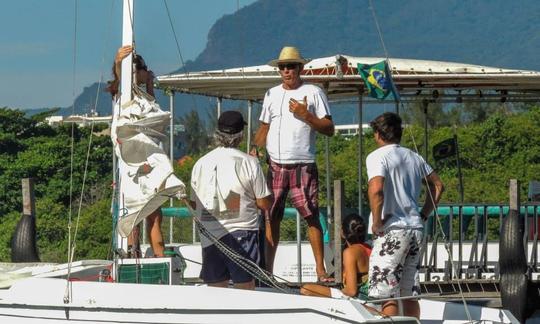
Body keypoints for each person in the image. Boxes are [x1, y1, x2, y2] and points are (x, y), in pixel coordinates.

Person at [252, 46, 335, 282]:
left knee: (311, 215)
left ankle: (320, 270)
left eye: (291, 66)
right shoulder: (271, 94)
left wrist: (306, 115)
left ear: (300, 68)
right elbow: (264, 127)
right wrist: (255, 148)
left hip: (303, 163)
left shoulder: (314, 92)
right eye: (282, 67)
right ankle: (268, 271)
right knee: (271, 216)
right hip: (276, 164)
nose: (286, 71)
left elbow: (329, 129)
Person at [366, 112, 444, 318]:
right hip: (415, 228)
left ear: (377, 133)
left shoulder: (377, 156)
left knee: (386, 291)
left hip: (392, 229)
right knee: (409, 290)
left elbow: (376, 190)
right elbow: (438, 186)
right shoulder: (414, 156)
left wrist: (376, 222)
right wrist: (424, 214)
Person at [191, 111, 272, 290]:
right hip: (242, 232)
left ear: (217, 134)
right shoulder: (249, 162)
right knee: (245, 291)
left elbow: (195, 203)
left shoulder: (200, 164)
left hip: (210, 234)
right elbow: (264, 203)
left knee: (216, 293)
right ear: (240, 136)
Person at [108, 45, 164, 257]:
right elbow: (125, 83)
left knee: (147, 214)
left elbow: (153, 111)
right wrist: (118, 64)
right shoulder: (125, 97)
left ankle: (150, 254)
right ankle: (139, 253)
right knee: (143, 214)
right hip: (136, 161)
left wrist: (149, 83)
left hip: (142, 160)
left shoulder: (141, 97)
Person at [300, 213, 371, 298]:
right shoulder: (370, 248)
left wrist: (335, 291)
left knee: (306, 289)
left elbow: (351, 291)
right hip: (371, 295)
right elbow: (362, 278)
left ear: (342, 233)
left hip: (360, 299)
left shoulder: (350, 253)